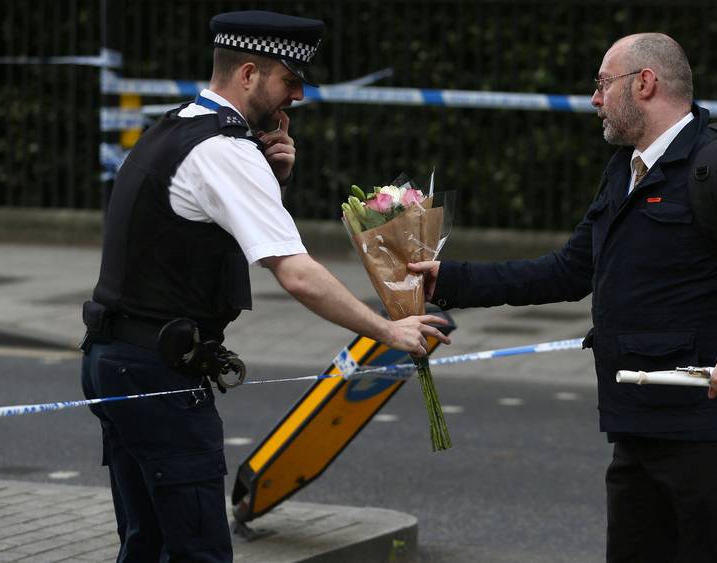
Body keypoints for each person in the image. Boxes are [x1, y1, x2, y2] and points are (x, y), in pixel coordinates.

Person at [410, 33, 717, 563]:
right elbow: (572, 269)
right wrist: (452, 281)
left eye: (602, 84)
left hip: (709, 429)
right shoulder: (625, 168)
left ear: (645, 83)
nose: (595, 98)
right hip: (636, 420)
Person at [80, 10, 450, 562]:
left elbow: (195, 234)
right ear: (248, 73)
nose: (297, 96)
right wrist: (388, 329)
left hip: (118, 358)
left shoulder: (177, 124)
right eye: (289, 80)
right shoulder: (225, 150)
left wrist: (272, 179)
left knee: (147, 544)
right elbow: (297, 273)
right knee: (198, 552)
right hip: (156, 370)